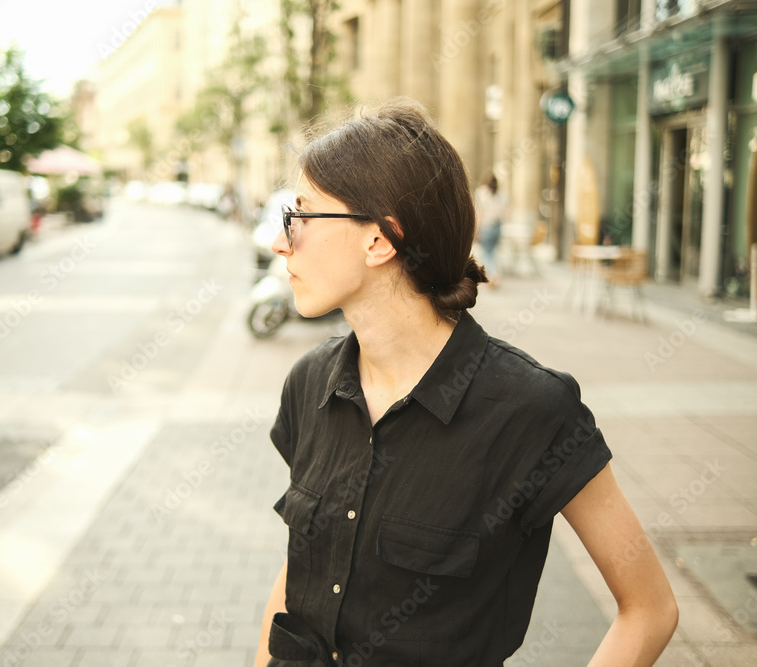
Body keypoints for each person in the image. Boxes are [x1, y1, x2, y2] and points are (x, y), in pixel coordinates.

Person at [254, 98, 677, 667]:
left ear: (379, 239)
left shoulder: (531, 409)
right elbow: (299, 574)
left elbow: (649, 608)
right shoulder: (310, 384)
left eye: (301, 216)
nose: (283, 242)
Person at [474, 171, 508, 288]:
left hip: (486, 227)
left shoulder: (481, 194)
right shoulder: (502, 195)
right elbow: (505, 213)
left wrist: (476, 230)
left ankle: (493, 275)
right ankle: (494, 274)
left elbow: (478, 214)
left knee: (486, 253)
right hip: (497, 227)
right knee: (492, 252)